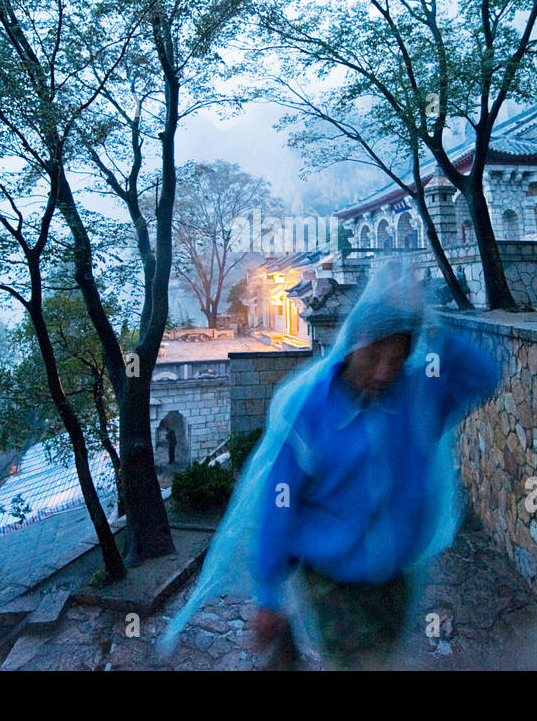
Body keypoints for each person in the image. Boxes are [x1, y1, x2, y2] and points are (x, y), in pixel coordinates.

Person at [158, 261, 503, 669]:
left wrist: (430, 325)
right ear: (353, 341)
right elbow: (279, 503)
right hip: (334, 585)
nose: (382, 372)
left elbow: (486, 376)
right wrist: (269, 595)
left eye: (396, 359)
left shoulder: (417, 397)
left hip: (395, 578)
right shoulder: (309, 411)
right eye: (374, 355)